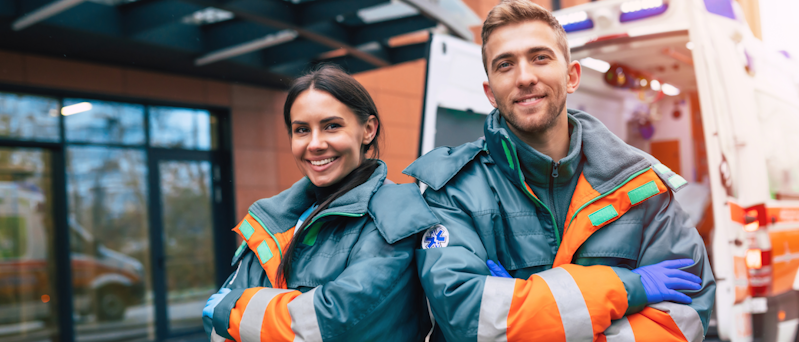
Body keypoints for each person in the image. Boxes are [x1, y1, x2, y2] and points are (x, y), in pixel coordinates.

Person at [404, 1, 715, 341]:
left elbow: (684, 317)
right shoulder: (451, 190)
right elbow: (468, 318)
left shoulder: (642, 185)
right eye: (505, 64)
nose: (525, 77)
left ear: (571, 76)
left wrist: (524, 308)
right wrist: (626, 288)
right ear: (490, 93)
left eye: (540, 57)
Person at [201, 65, 438, 342]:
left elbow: (339, 322)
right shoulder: (271, 218)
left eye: (332, 126)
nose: (315, 144)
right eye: (301, 130)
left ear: (368, 130)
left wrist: (232, 311)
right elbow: (217, 335)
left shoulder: (395, 212)